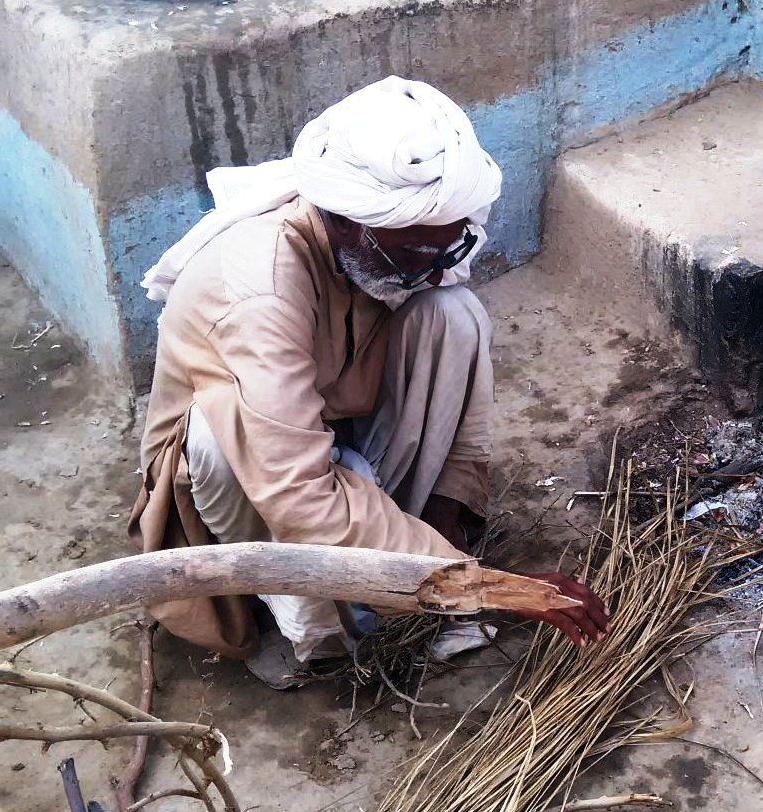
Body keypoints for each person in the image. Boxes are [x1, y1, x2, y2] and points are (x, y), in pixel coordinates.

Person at [128, 77, 609, 685]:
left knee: (451, 313)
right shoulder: (259, 292)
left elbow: (438, 325)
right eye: (416, 253)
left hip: (334, 434)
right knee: (214, 442)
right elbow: (299, 495)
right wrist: (487, 588)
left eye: (447, 244)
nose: (437, 264)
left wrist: (449, 536)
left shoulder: (391, 244)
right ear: (350, 225)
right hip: (242, 482)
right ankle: (309, 629)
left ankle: (409, 553)